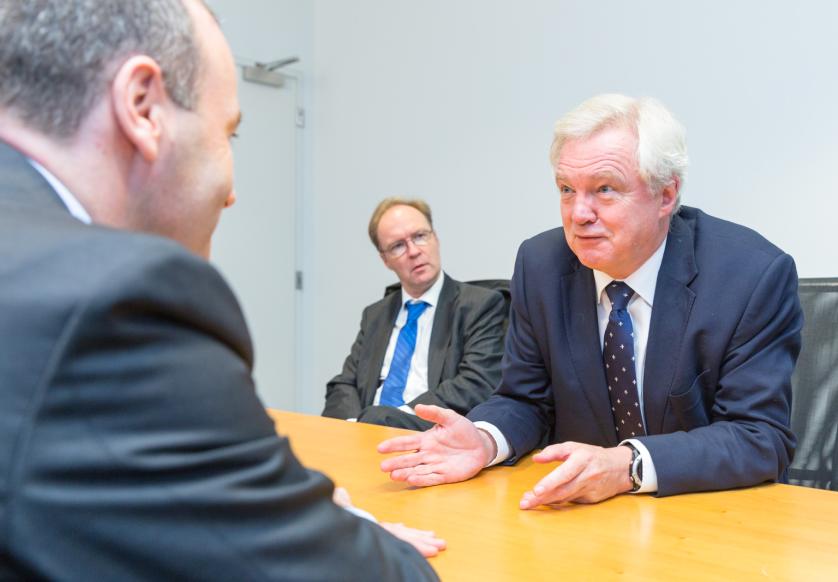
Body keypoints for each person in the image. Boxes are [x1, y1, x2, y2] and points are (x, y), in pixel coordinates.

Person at [0, 0, 441, 578]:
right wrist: (311, 519)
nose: (231, 192)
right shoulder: (115, 300)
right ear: (142, 107)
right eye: (228, 133)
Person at [379, 94, 802, 507]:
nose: (579, 214)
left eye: (604, 189)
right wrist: (486, 439)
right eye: (567, 189)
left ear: (666, 195)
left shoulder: (749, 275)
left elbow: (758, 436)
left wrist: (628, 465)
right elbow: (526, 400)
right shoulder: (541, 265)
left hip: (711, 513)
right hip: (584, 514)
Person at [323, 198, 507, 430]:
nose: (413, 251)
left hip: (429, 431)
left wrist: (393, 417)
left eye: (420, 236)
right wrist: (353, 426)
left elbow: (476, 383)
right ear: (385, 260)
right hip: (366, 432)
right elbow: (344, 384)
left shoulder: (479, 305)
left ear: (435, 238)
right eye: (398, 246)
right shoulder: (376, 315)